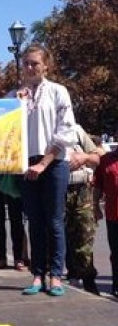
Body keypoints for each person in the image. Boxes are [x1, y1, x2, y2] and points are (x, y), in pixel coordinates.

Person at [16, 44, 76, 297]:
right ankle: (37, 273)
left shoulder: (58, 92)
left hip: (53, 160)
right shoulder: (15, 96)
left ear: (45, 66)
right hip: (25, 162)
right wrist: (16, 107)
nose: (29, 68)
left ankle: (56, 274)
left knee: (54, 219)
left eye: (34, 63)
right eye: (26, 63)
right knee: (35, 221)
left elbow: (65, 131)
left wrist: (44, 163)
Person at [64, 124, 102, 294]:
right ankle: (64, 276)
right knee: (56, 237)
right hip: (57, 189)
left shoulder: (76, 130)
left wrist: (83, 157)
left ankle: (88, 280)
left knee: (84, 236)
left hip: (82, 189)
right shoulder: (42, 129)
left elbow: (96, 158)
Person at [93, 144, 118, 297]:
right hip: (113, 214)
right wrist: (95, 205)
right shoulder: (106, 160)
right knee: (116, 252)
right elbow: (98, 185)